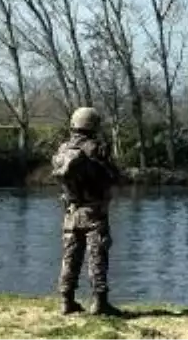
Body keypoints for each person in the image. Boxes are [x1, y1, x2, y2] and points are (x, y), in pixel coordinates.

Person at [53, 106, 123, 316]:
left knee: (70, 256)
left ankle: (67, 301)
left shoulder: (63, 149)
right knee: (97, 255)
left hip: (70, 211)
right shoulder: (96, 149)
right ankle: (99, 303)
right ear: (93, 125)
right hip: (94, 212)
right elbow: (114, 176)